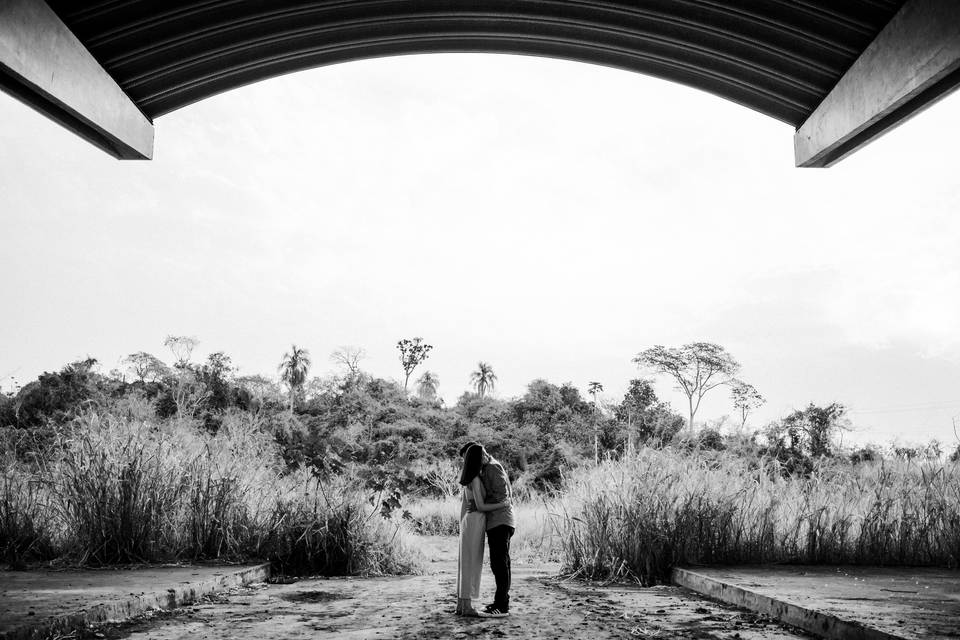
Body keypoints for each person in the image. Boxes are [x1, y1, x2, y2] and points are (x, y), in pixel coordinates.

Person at [458, 441, 516, 616]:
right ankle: (499, 602)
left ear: (481, 455)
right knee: (498, 563)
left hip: (501, 520)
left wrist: (479, 505)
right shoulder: (485, 469)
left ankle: (502, 605)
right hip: (494, 521)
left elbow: (504, 498)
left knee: (500, 564)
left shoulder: (492, 467)